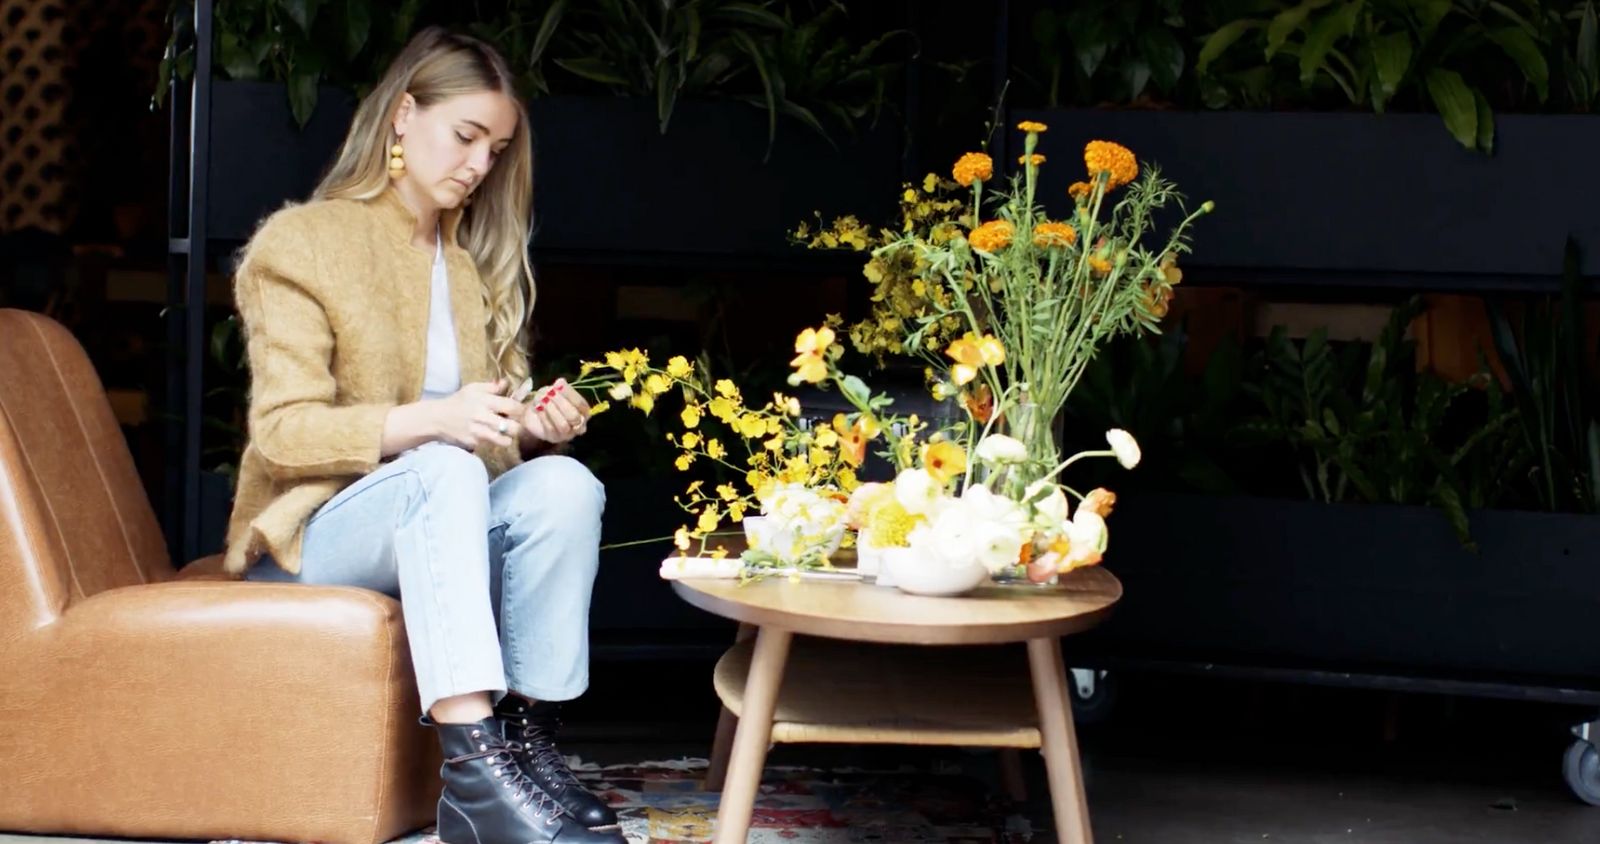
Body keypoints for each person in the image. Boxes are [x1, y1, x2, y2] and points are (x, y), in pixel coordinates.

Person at [221, 26, 623, 844]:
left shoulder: (469, 266)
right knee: (441, 465)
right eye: (465, 136)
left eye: (496, 149)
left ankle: (526, 740)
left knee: (564, 486)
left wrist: (533, 430)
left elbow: (482, 464)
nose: (479, 165)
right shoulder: (303, 243)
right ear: (404, 116)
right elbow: (283, 433)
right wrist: (439, 423)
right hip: (309, 544)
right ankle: (475, 775)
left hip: (429, 515)